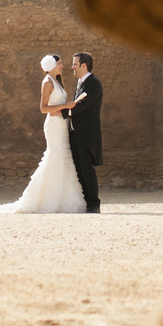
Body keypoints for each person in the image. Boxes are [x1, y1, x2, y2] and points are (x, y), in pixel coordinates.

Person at [0, 53, 86, 214]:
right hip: (54, 125)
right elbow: (44, 108)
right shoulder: (47, 82)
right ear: (52, 65)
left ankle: (63, 199)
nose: (62, 66)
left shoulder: (56, 81)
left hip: (62, 124)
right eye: (59, 63)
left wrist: (67, 107)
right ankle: (47, 199)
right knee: (55, 155)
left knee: (63, 156)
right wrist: (65, 106)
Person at [48, 51, 102, 213]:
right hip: (75, 133)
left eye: (74, 64)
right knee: (79, 168)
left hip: (86, 134)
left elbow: (82, 106)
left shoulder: (93, 83)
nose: (72, 67)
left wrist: (60, 112)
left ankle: (94, 203)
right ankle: (86, 202)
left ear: (84, 65)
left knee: (86, 168)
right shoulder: (80, 83)